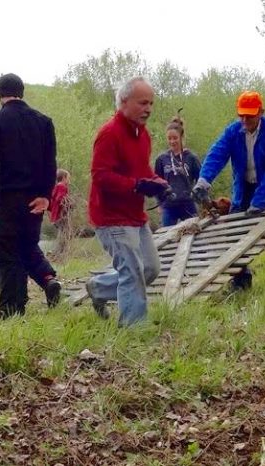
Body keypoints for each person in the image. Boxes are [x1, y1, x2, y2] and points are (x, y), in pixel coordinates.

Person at [0, 73, 60, 318]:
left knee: (6, 255)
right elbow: (50, 164)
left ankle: (12, 309)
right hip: (34, 201)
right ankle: (32, 295)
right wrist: (46, 197)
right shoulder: (44, 122)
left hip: (7, 200)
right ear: (22, 91)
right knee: (27, 248)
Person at [192, 90, 265, 289]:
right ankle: (241, 283)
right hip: (245, 187)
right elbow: (217, 154)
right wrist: (203, 181)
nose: (245, 119)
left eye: (250, 115)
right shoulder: (233, 132)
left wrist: (259, 202)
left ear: (261, 112)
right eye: (241, 114)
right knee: (234, 236)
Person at [86, 77, 167, 326]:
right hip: (111, 218)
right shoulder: (109, 134)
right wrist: (136, 186)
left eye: (151, 103)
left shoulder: (143, 135)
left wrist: (158, 184)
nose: (148, 109)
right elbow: (100, 176)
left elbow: (142, 170)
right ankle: (134, 331)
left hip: (135, 215)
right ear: (124, 101)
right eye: (143, 103)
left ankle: (98, 288)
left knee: (150, 269)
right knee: (132, 272)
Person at [154, 114, 201, 226]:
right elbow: (157, 183)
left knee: (194, 232)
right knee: (167, 238)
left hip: (188, 203)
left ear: (181, 137)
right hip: (169, 206)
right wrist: (159, 203)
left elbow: (201, 179)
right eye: (169, 139)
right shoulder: (161, 159)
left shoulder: (191, 157)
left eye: (175, 138)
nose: (172, 142)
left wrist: (200, 198)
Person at [49, 168, 72, 257]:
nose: (68, 180)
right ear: (63, 178)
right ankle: (59, 253)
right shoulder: (62, 186)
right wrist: (69, 202)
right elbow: (60, 199)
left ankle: (58, 252)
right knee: (64, 234)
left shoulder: (56, 187)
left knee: (62, 233)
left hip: (56, 216)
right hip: (61, 216)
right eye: (68, 178)